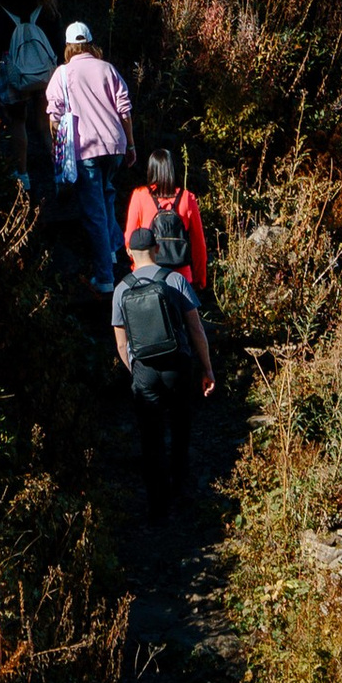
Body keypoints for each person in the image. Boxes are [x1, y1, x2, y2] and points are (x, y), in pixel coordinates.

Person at [113, 212, 215, 520]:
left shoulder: (121, 289)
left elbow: (120, 342)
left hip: (144, 369)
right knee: (180, 427)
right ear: (157, 249)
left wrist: (137, 370)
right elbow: (196, 329)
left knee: (150, 436)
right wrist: (207, 369)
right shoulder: (175, 280)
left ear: (129, 252)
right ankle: (182, 491)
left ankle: (157, 506)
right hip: (178, 366)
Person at [42, 20, 133, 294]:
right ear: (90, 42)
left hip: (87, 149)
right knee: (106, 198)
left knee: (94, 213)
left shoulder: (62, 74)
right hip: (114, 146)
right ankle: (115, 253)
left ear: (69, 46)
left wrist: (58, 147)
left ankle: (105, 279)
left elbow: (54, 117)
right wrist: (131, 145)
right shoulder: (107, 68)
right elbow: (125, 109)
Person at [0, 0, 64, 183]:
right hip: (43, 70)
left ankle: (22, 174)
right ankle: (59, 170)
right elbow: (55, 29)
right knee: (46, 119)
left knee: (17, 122)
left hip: (13, 69)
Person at [122, 150, 210, 299]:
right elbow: (198, 244)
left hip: (147, 275)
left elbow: (130, 239)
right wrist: (200, 279)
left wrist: (135, 266)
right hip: (181, 277)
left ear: (151, 169)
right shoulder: (187, 197)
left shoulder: (140, 195)